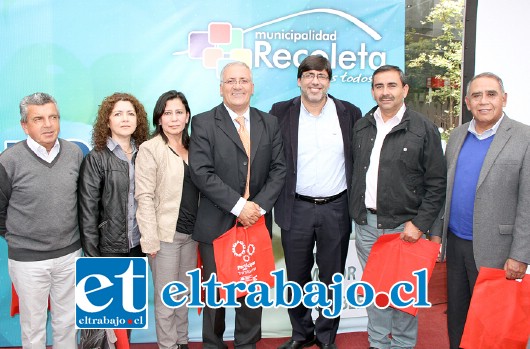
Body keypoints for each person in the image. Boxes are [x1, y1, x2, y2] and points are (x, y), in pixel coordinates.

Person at [189, 61, 286, 349]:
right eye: (231, 81)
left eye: (243, 80)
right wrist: (238, 206)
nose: (237, 86)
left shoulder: (269, 122)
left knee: (251, 292)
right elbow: (201, 172)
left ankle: (246, 343)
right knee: (216, 295)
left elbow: (279, 170)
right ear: (221, 88)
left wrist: (256, 208)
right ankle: (213, 344)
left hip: (255, 222)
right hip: (217, 222)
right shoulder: (204, 122)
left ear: (252, 87)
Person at [349, 65, 446, 349]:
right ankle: (378, 344)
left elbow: (437, 183)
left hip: (405, 228)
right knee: (375, 294)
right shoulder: (362, 125)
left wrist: (421, 224)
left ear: (404, 90)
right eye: (379, 86)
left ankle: (403, 345)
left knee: (404, 296)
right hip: (367, 226)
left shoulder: (423, 128)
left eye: (391, 86)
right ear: (372, 91)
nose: (385, 92)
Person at [430, 72, 530, 349]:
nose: (483, 101)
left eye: (491, 94)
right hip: (458, 244)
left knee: (493, 324)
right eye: (477, 95)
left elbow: (528, 202)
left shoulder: (525, 137)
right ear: (467, 102)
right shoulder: (459, 135)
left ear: (504, 99)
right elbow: (446, 191)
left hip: (498, 250)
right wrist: (438, 235)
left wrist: (520, 254)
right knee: (458, 318)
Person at [270, 54, 362, 349]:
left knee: (332, 278)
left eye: (321, 76)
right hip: (295, 206)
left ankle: (326, 337)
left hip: (336, 207)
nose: (315, 81)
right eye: (309, 75)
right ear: (299, 81)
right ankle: (301, 333)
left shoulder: (349, 112)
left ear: (329, 80)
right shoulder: (280, 112)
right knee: (295, 276)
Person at [0, 92, 83, 348]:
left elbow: (81, 201)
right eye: (39, 119)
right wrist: (19, 238)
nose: (48, 124)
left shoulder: (73, 153)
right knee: (33, 327)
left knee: (67, 324)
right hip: (28, 261)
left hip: (70, 255)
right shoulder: (9, 161)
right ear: (25, 125)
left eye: (53, 117)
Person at [135, 90, 199, 349]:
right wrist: (150, 240)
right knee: (166, 299)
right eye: (167, 113)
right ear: (158, 119)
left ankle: (182, 342)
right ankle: (168, 345)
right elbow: (144, 197)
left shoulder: (197, 146)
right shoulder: (150, 149)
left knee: (183, 294)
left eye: (179, 112)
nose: (173, 118)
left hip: (193, 235)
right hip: (164, 238)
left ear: (187, 117)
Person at [78, 92, 149, 258]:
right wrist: (92, 254)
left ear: (138, 120)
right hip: (108, 249)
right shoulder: (96, 158)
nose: (125, 119)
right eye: (118, 114)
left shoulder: (145, 154)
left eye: (131, 114)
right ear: (107, 122)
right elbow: (88, 212)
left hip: (140, 245)